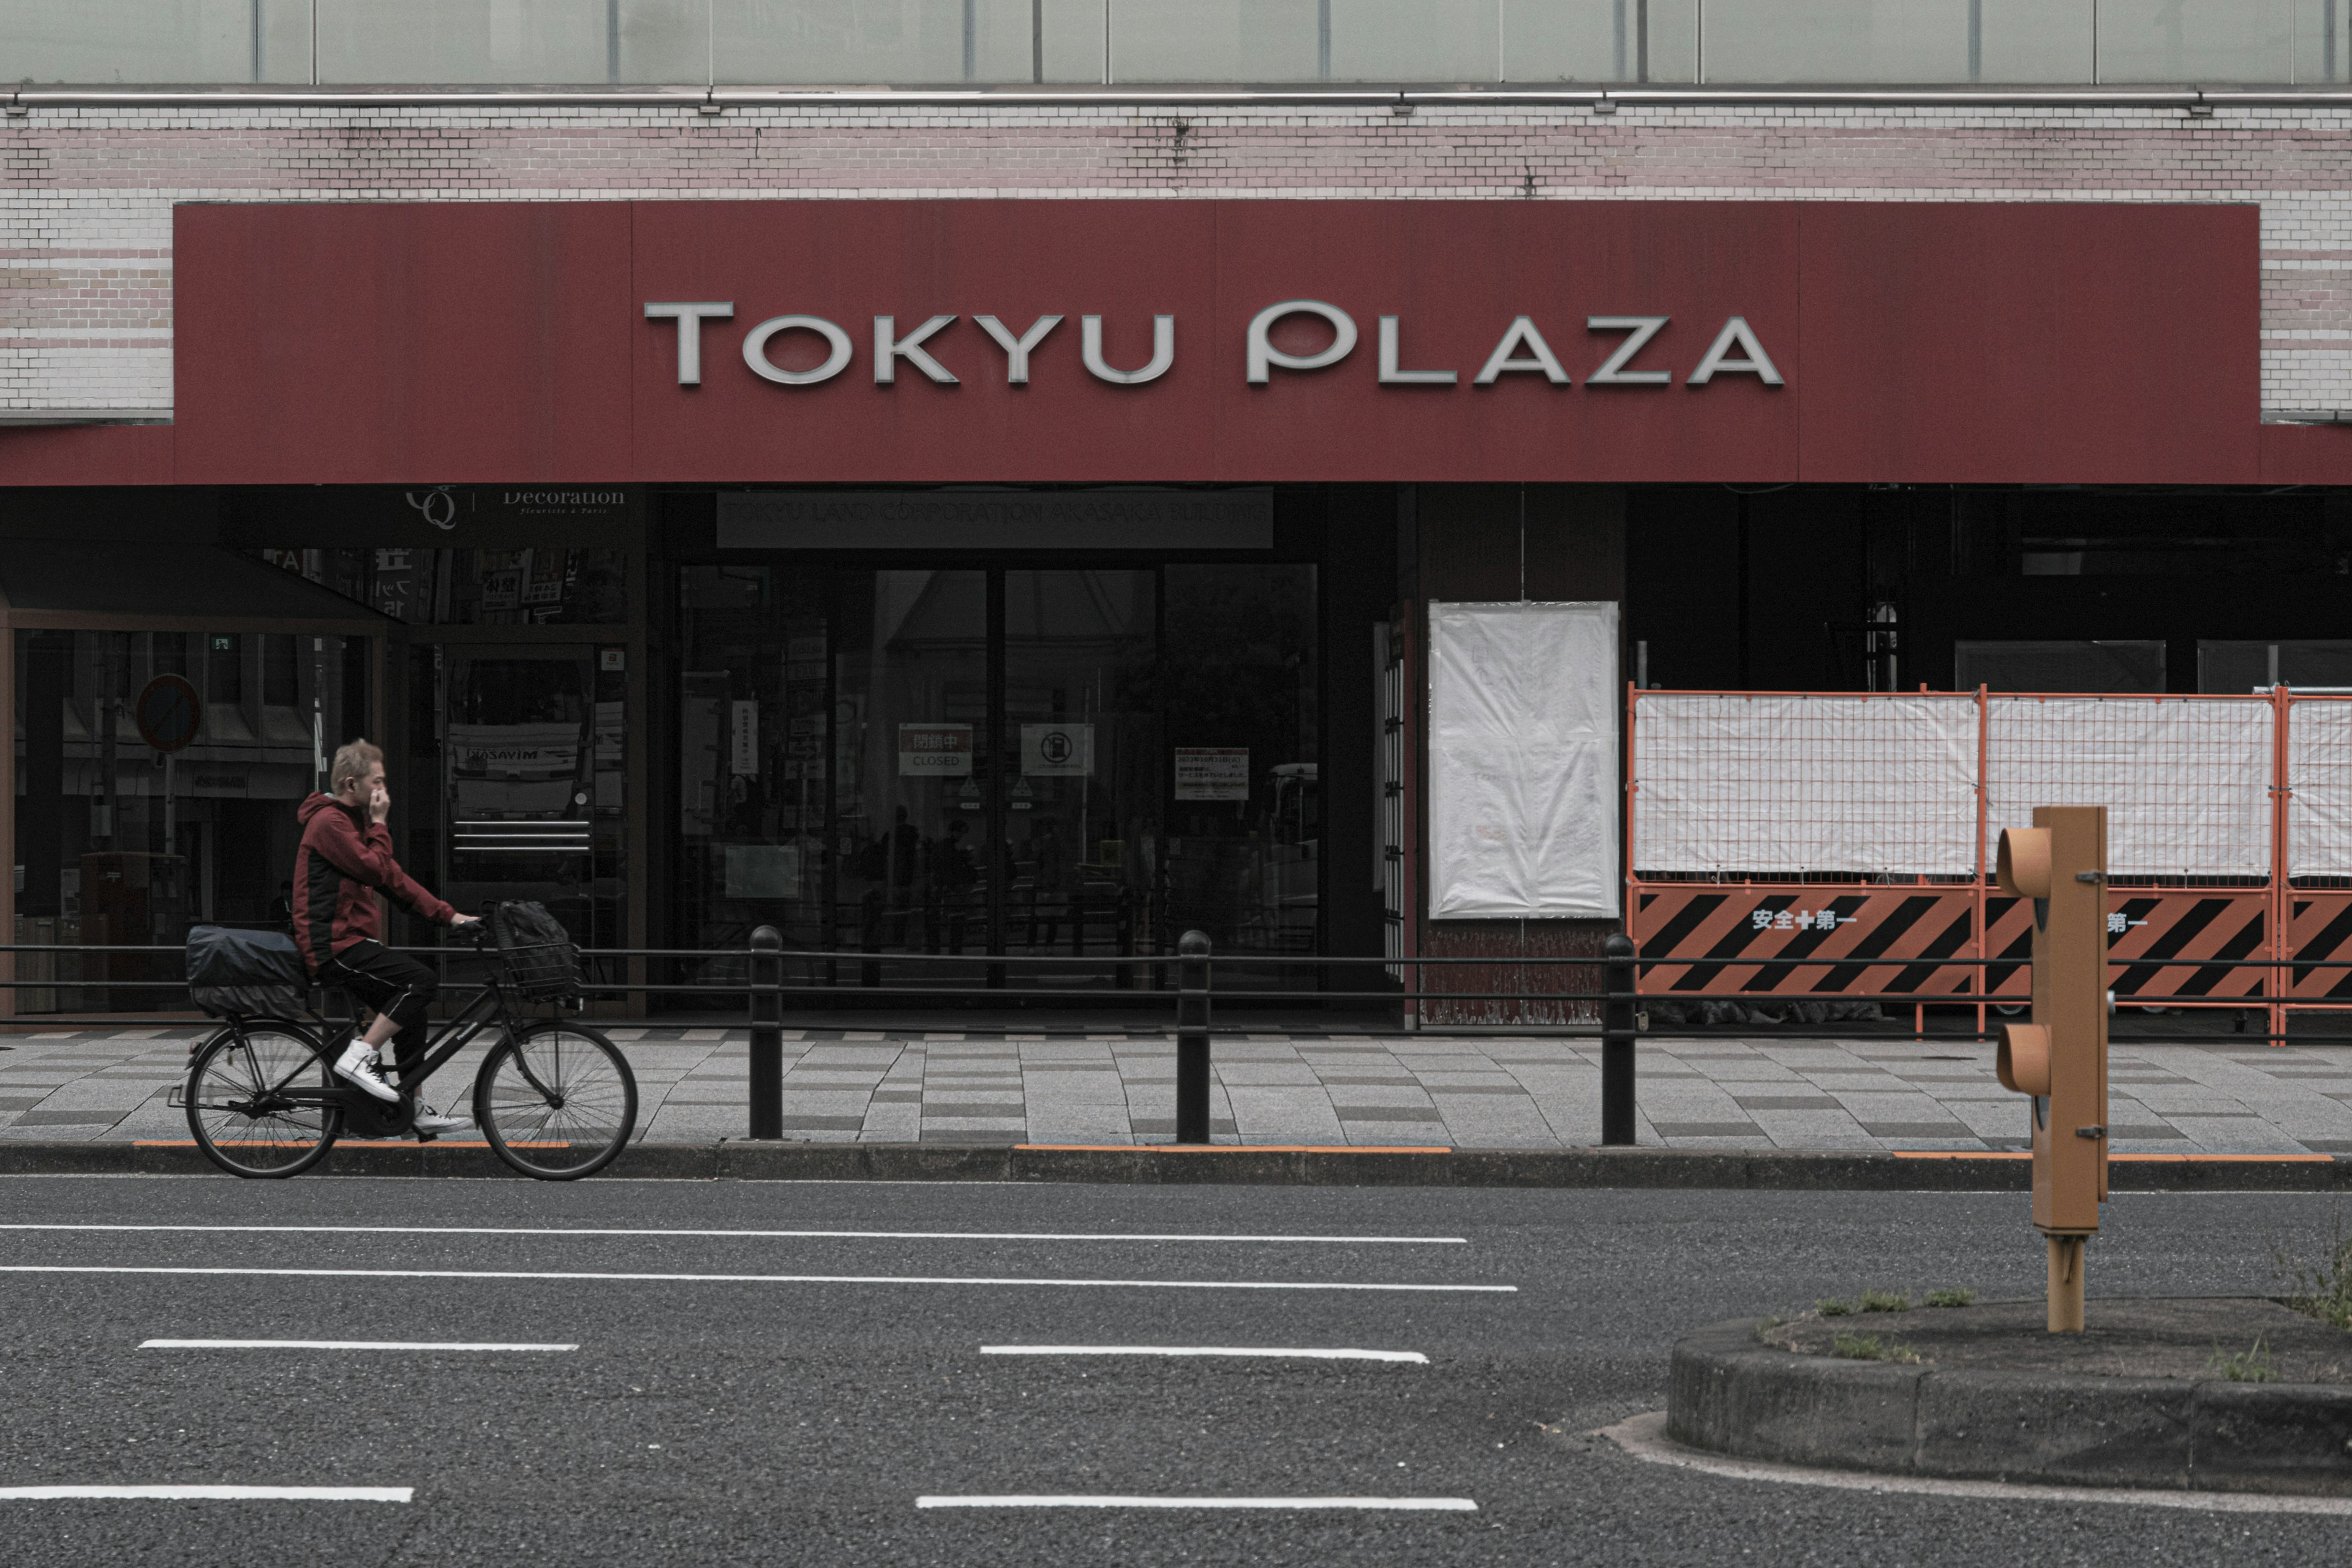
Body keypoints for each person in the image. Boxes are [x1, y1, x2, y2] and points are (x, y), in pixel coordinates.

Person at [293, 740, 480, 1133]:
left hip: (351, 941)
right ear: (351, 783)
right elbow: (376, 870)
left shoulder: (350, 822)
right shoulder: (329, 823)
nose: (383, 792)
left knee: (411, 1014)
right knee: (421, 981)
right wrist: (380, 824)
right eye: (377, 782)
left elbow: (394, 879)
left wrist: (450, 917)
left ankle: (414, 1109)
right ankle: (360, 1056)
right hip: (333, 945)